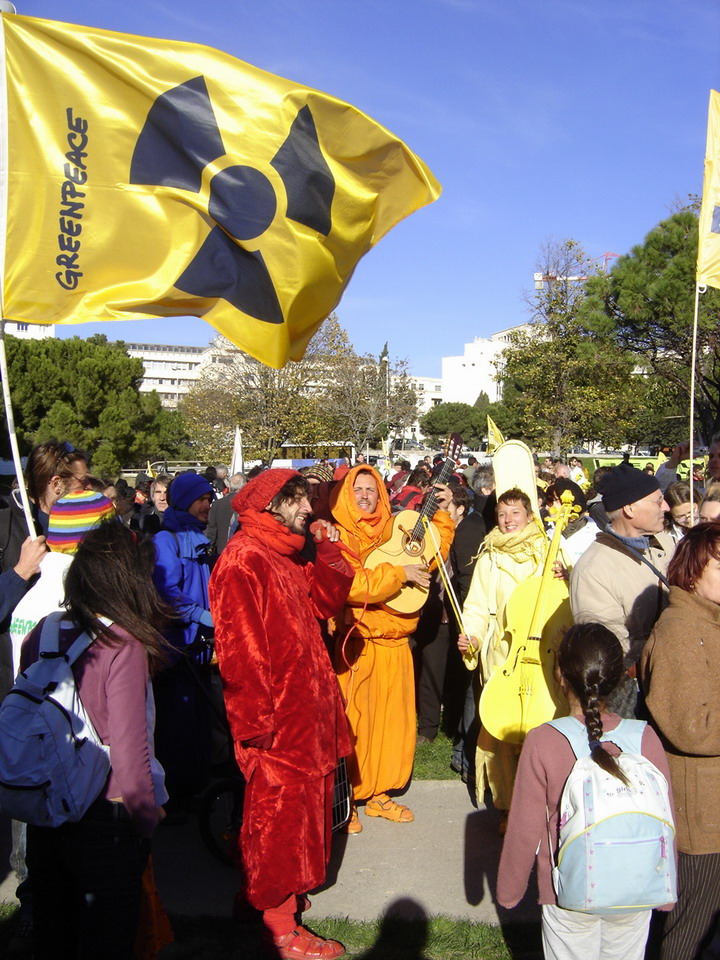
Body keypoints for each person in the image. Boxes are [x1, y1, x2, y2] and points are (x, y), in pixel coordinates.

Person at [209, 469, 353, 959]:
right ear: (272, 504)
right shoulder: (244, 560)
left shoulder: (288, 553)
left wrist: (328, 550)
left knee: (294, 820)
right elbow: (240, 655)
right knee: (280, 824)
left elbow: (330, 601)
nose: (310, 510)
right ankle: (280, 927)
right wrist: (257, 732)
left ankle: (264, 902)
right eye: (298, 502)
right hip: (277, 726)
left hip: (306, 715)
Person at [21, 521, 171, 960]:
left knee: (56, 934)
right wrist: (147, 816)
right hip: (105, 816)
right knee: (107, 938)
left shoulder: (43, 631)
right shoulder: (122, 643)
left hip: (47, 811)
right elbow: (129, 749)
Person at [497, 622, 673, 960]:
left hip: (568, 893)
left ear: (561, 675)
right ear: (619, 675)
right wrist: (665, 887)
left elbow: (523, 828)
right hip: (636, 889)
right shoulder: (645, 737)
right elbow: (665, 820)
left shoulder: (543, 740)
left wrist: (509, 891)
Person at [330, 465, 453, 832]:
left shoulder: (394, 528)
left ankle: (380, 793)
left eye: (372, 489)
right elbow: (352, 585)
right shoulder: (338, 537)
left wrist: (442, 513)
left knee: (393, 722)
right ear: (346, 496)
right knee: (357, 724)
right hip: (359, 645)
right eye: (358, 489)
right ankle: (349, 797)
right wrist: (399, 575)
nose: (365, 496)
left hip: (397, 643)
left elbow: (430, 552)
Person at [458, 488, 567, 821]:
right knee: (504, 732)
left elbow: (566, 598)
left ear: (529, 516)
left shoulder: (548, 549)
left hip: (541, 654)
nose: (507, 521)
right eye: (502, 514)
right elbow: (476, 604)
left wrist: (567, 574)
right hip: (502, 654)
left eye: (515, 513)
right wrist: (472, 637)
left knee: (542, 727)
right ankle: (508, 806)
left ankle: (547, 801)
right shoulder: (489, 555)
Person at [641, 522, 720, 960]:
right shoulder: (681, 629)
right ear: (692, 570)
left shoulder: (708, 619)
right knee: (691, 927)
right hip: (702, 817)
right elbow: (694, 726)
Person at [569, 462, 674, 716]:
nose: (666, 507)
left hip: (671, 678)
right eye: (658, 501)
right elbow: (608, 649)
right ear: (629, 508)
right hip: (632, 695)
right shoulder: (593, 569)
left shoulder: (665, 543)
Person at [152, 473, 215, 807]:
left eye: (209, 498)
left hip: (200, 647)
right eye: (201, 499)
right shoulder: (166, 540)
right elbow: (165, 592)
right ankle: (174, 796)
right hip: (175, 649)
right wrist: (199, 615)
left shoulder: (197, 536)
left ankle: (196, 786)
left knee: (196, 721)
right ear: (184, 500)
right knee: (176, 725)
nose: (207, 505)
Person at [206, 472, 246, 553]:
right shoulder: (247, 504)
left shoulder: (217, 504)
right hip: (242, 551)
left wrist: (210, 547)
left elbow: (211, 530)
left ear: (229, 487)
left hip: (222, 550)